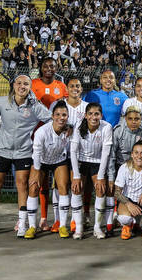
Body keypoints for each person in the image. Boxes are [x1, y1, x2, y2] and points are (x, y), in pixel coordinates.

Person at [0, 75, 51, 238]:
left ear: (30, 87)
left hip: (24, 152)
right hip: (2, 150)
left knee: (22, 184)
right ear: (13, 85)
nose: (22, 86)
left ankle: (22, 224)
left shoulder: (35, 106)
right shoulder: (2, 102)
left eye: (26, 84)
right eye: (19, 83)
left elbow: (52, 119)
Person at [25, 101, 73, 239]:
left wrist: (72, 126)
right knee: (33, 187)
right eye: (57, 114)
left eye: (64, 115)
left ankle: (63, 225)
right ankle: (32, 226)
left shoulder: (70, 129)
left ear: (67, 116)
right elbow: (37, 154)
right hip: (41, 161)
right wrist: (36, 173)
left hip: (59, 160)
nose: (61, 117)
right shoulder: (41, 132)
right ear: (52, 116)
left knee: (63, 188)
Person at [31, 57, 68, 231]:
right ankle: (42, 218)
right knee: (38, 181)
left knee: (60, 183)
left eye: (52, 66)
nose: (48, 69)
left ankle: (60, 220)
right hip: (36, 135)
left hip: (57, 137)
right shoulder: (33, 84)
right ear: (40, 67)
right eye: (45, 66)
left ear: (56, 68)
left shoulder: (61, 86)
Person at [70, 103, 113, 239]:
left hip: (97, 162)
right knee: (76, 188)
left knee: (100, 189)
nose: (94, 117)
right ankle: (79, 227)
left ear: (101, 115)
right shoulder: (78, 126)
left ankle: (97, 227)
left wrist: (100, 176)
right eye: (91, 114)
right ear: (86, 115)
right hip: (81, 161)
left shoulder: (106, 127)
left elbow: (106, 153)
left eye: (97, 114)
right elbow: (73, 151)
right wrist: (76, 175)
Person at [50, 76, 88, 233]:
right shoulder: (58, 105)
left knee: (76, 185)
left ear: (81, 89)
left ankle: (74, 220)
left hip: (79, 152)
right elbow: (51, 124)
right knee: (59, 186)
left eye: (78, 86)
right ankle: (58, 219)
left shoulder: (86, 107)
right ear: (66, 88)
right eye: (72, 86)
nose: (75, 88)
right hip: (60, 150)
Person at [108, 105, 142, 234]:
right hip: (120, 165)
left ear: (141, 119)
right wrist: (111, 177)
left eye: (137, 119)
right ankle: (111, 222)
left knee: (139, 191)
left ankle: (137, 224)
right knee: (114, 191)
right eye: (130, 119)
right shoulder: (118, 130)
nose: (134, 122)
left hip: (138, 164)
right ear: (125, 119)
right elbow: (111, 155)